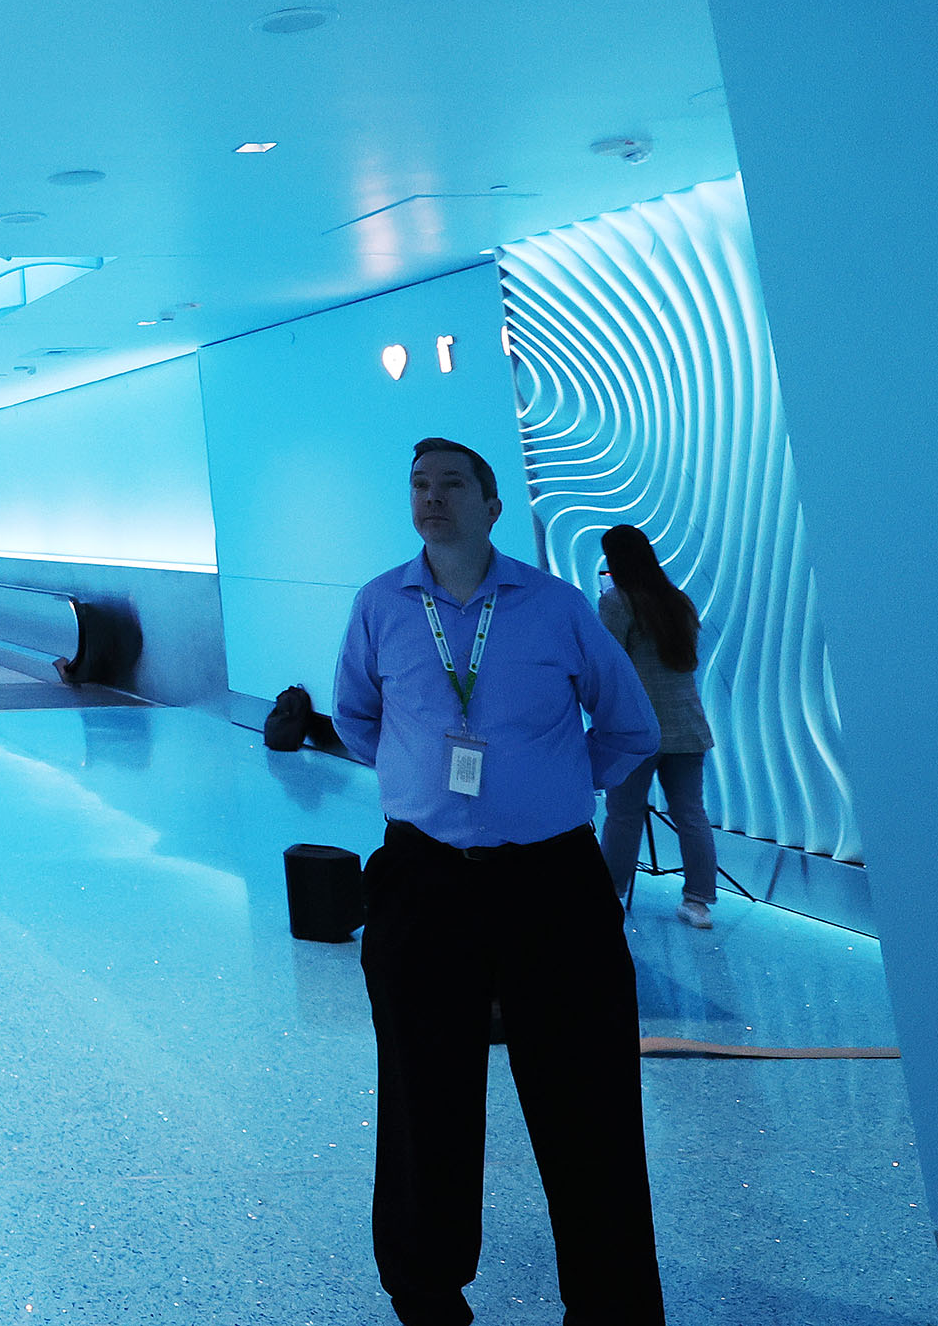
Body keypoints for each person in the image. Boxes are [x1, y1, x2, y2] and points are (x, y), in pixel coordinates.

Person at [333, 438, 665, 1326]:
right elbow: (357, 720)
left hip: (551, 882)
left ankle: (612, 1303)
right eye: (418, 484)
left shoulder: (555, 608)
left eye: (451, 485)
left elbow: (628, 728)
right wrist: (430, 790)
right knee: (421, 1090)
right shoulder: (380, 606)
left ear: (491, 505)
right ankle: (426, 1287)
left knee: (586, 1094)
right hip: (424, 877)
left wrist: (549, 789)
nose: (431, 499)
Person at [592, 523, 717, 929]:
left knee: (623, 816)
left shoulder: (616, 602)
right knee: (691, 814)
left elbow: (609, 665)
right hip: (687, 725)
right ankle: (697, 900)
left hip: (636, 730)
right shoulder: (678, 601)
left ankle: (610, 894)